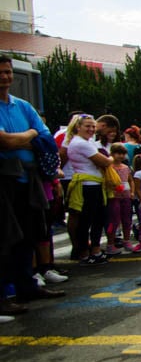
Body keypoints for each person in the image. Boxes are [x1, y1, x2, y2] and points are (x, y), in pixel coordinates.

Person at [0, 55, 63, 314]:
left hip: (28, 178)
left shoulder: (22, 105)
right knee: (5, 239)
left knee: (28, 235)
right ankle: (4, 295)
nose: (5, 77)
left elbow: (46, 137)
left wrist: (24, 138)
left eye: (7, 72)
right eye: (1, 72)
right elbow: (6, 143)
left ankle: (27, 285)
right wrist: (31, 136)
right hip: (4, 179)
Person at [65, 114, 113, 264]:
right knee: (87, 220)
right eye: (87, 126)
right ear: (78, 127)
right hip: (87, 186)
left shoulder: (86, 142)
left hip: (94, 183)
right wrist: (111, 158)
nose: (91, 129)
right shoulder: (80, 143)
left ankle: (94, 250)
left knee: (97, 219)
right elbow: (104, 161)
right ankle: (85, 252)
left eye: (93, 126)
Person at [104, 143, 135, 254]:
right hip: (113, 196)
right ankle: (110, 243)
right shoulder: (109, 167)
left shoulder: (126, 167)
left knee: (127, 219)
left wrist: (132, 191)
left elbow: (130, 180)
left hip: (125, 196)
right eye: (118, 153)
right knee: (113, 220)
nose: (121, 156)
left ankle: (126, 240)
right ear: (112, 154)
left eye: (123, 154)